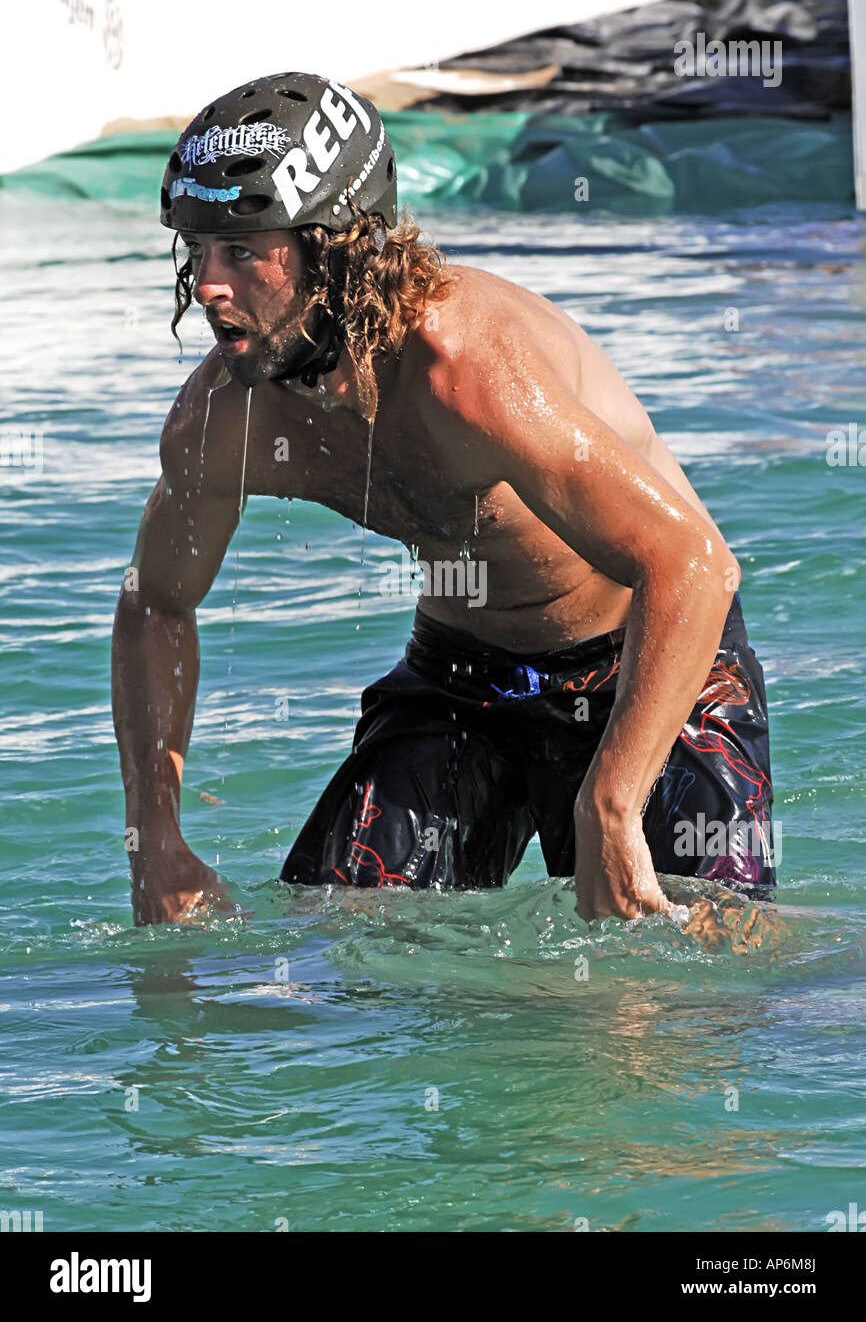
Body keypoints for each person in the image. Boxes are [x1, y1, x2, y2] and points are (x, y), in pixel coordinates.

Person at [111, 71, 776, 929]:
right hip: (461, 678)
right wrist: (155, 834)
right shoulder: (222, 421)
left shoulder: (465, 372)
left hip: (649, 665)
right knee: (337, 944)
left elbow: (692, 564)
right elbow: (157, 602)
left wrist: (611, 804)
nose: (206, 284)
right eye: (197, 249)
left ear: (335, 247)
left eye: (241, 251)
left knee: (695, 971)